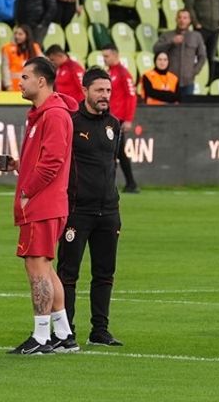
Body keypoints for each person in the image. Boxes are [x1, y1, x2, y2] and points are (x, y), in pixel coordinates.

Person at [10, 56, 80, 355]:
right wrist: (18, 167)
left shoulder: (53, 116)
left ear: (42, 81)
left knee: (36, 266)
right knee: (46, 269)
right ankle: (63, 334)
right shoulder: (43, 114)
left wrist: (27, 190)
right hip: (46, 203)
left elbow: (52, 161)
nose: (20, 81)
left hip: (42, 204)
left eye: (25, 77)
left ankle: (41, 337)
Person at [57, 68, 126, 346]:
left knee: (104, 273)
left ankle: (100, 330)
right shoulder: (72, 123)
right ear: (84, 91)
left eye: (108, 91)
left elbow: (112, 162)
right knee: (68, 273)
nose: (104, 96)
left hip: (108, 211)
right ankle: (66, 329)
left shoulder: (113, 124)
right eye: (99, 90)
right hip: (78, 210)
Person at [100, 45, 140, 193]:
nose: (104, 59)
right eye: (103, 56)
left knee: (114, 151)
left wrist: (128, 119)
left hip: (119, 119)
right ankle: (130, 183)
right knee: (118, 152)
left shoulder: (123, 73)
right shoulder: (109, 73)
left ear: (115, 55)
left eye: (107, 56)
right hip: (110, 118)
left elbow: (131, 96)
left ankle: (115, 184)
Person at [155, 9, 207, 99]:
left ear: (189, 20)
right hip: (169, 81)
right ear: (176, 19)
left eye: (185, 18)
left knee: (187, 111)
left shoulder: (196, 36)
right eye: (179, 17)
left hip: (188, 82)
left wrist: (194, 71)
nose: (182, 20)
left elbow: (202, 56)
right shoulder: (167, 35)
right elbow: (156, 49)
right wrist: (171, 42)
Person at [1, 25, 43, 92]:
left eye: (20, 34)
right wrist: (8, 85)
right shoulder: (7, 48)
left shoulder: (35, 47)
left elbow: (43, 64)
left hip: (31, 87)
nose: (17, 36)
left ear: (27, 35)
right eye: (15, 34)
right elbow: (5, 68)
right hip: (13, 87)